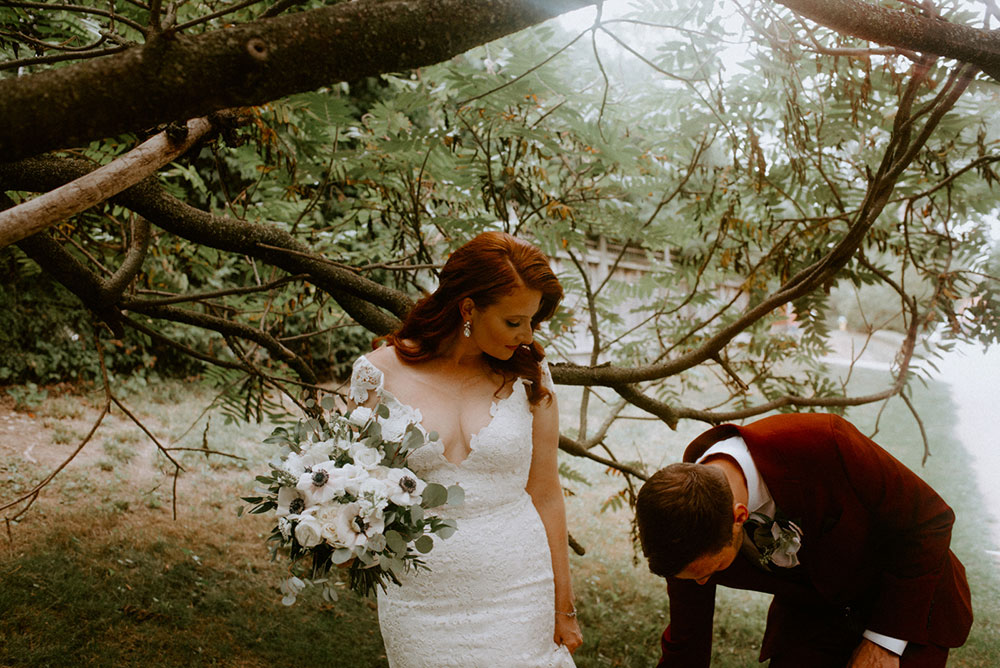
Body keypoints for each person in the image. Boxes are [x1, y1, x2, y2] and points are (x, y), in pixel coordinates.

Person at [348, 231, 582, 667]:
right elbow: (354, 486)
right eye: (514, 322)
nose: (528, 336)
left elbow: (547, 493)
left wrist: (564, 607)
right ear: (469, 308)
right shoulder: (375, 375)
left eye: (533, 322)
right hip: (419, 603)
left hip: (520, 590)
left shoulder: (531, 377)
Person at [635, 412, 973, 668]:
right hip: (810, 615)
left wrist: (883, 643)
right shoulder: (681, 520)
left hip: (902, 599)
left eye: (712, 570)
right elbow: (687, 637)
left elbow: (929, 521)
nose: (703, 582)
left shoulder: (825, 442)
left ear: (739, 517)